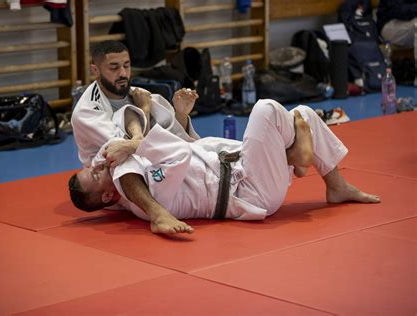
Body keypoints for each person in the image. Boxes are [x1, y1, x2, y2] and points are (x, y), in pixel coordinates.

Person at [69, 99, 380, 234]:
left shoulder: (129, 174)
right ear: (108, 197)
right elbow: (179, 154)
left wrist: (130, 141)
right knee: (267, 109)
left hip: (244, 167)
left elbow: (116, 146)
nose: (98, 165)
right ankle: (296, 157)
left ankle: (335, 184)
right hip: (252, 192)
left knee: (303, 114)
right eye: (96, 174)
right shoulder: (144, 193)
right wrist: (133, 145)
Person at [71, 40, 200, 168]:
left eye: (126, 65)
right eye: (114, 67)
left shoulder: (139, 95)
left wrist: (181, 114)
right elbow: (129, 149)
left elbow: (173, 137)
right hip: (110, 175)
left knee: (208, 151)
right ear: (96, 71)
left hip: (149, 166)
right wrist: (144, 110)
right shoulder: (86, 111)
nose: (122, 73)